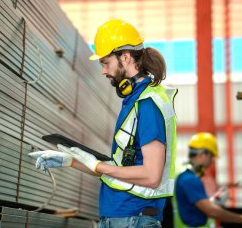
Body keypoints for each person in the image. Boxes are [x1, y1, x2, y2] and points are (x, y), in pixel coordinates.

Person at [29, 19, 178, 228]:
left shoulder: (148, 104)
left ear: (125, 57)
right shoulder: (133, 101)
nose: (103, 71)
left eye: (105, 63)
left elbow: (152, 175)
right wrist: (70, 161)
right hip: (119, 218)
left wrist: (98, 166)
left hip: (134, 219)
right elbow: (120, 169)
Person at [173, 132, 242, 228]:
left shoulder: (181, 172)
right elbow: (211, 211)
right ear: (203, 155)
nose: (212, 161)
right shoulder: (189, 179)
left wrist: (213, 201)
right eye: (211, 156)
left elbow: (190, 205)